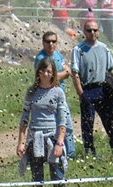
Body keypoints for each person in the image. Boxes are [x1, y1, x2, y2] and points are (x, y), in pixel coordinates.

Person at [17, 57, 70, 187]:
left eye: (50, 71)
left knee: (57, 177)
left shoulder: (58, 92)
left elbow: (63, 119)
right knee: (36, 177)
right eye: (44, 71)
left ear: (53, 73)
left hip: (53, 139)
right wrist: (21, 141)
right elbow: (25, 117)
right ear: (39, 72)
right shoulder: (31, 92)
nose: (46, 74)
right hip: (35, 139)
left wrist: (60, 142)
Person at [71, 20, 113, 160]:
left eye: (95, 30)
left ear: (99, 32)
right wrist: (81, 93)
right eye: (89, 30)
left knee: (111, 121)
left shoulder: (104, 48)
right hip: (88, 90)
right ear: (84, 32)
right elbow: (75, 72)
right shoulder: (78, 49)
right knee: (87, 123)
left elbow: (111, 69)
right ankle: (90, 151)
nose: (92, 33)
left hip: (103, 90)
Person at [34, 30, 76, 158]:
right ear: (43, 42)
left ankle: (70, 153)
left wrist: (62, 74)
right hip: (47, 96)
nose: (50, 44)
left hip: (60, 94)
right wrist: (62, 74)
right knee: (51, 127)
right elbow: (49, 78)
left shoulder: (57, 55)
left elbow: (67, 69)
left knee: (66, 125)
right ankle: (48, 152)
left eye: (53, 41)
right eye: (48, 41)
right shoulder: (41, 58)